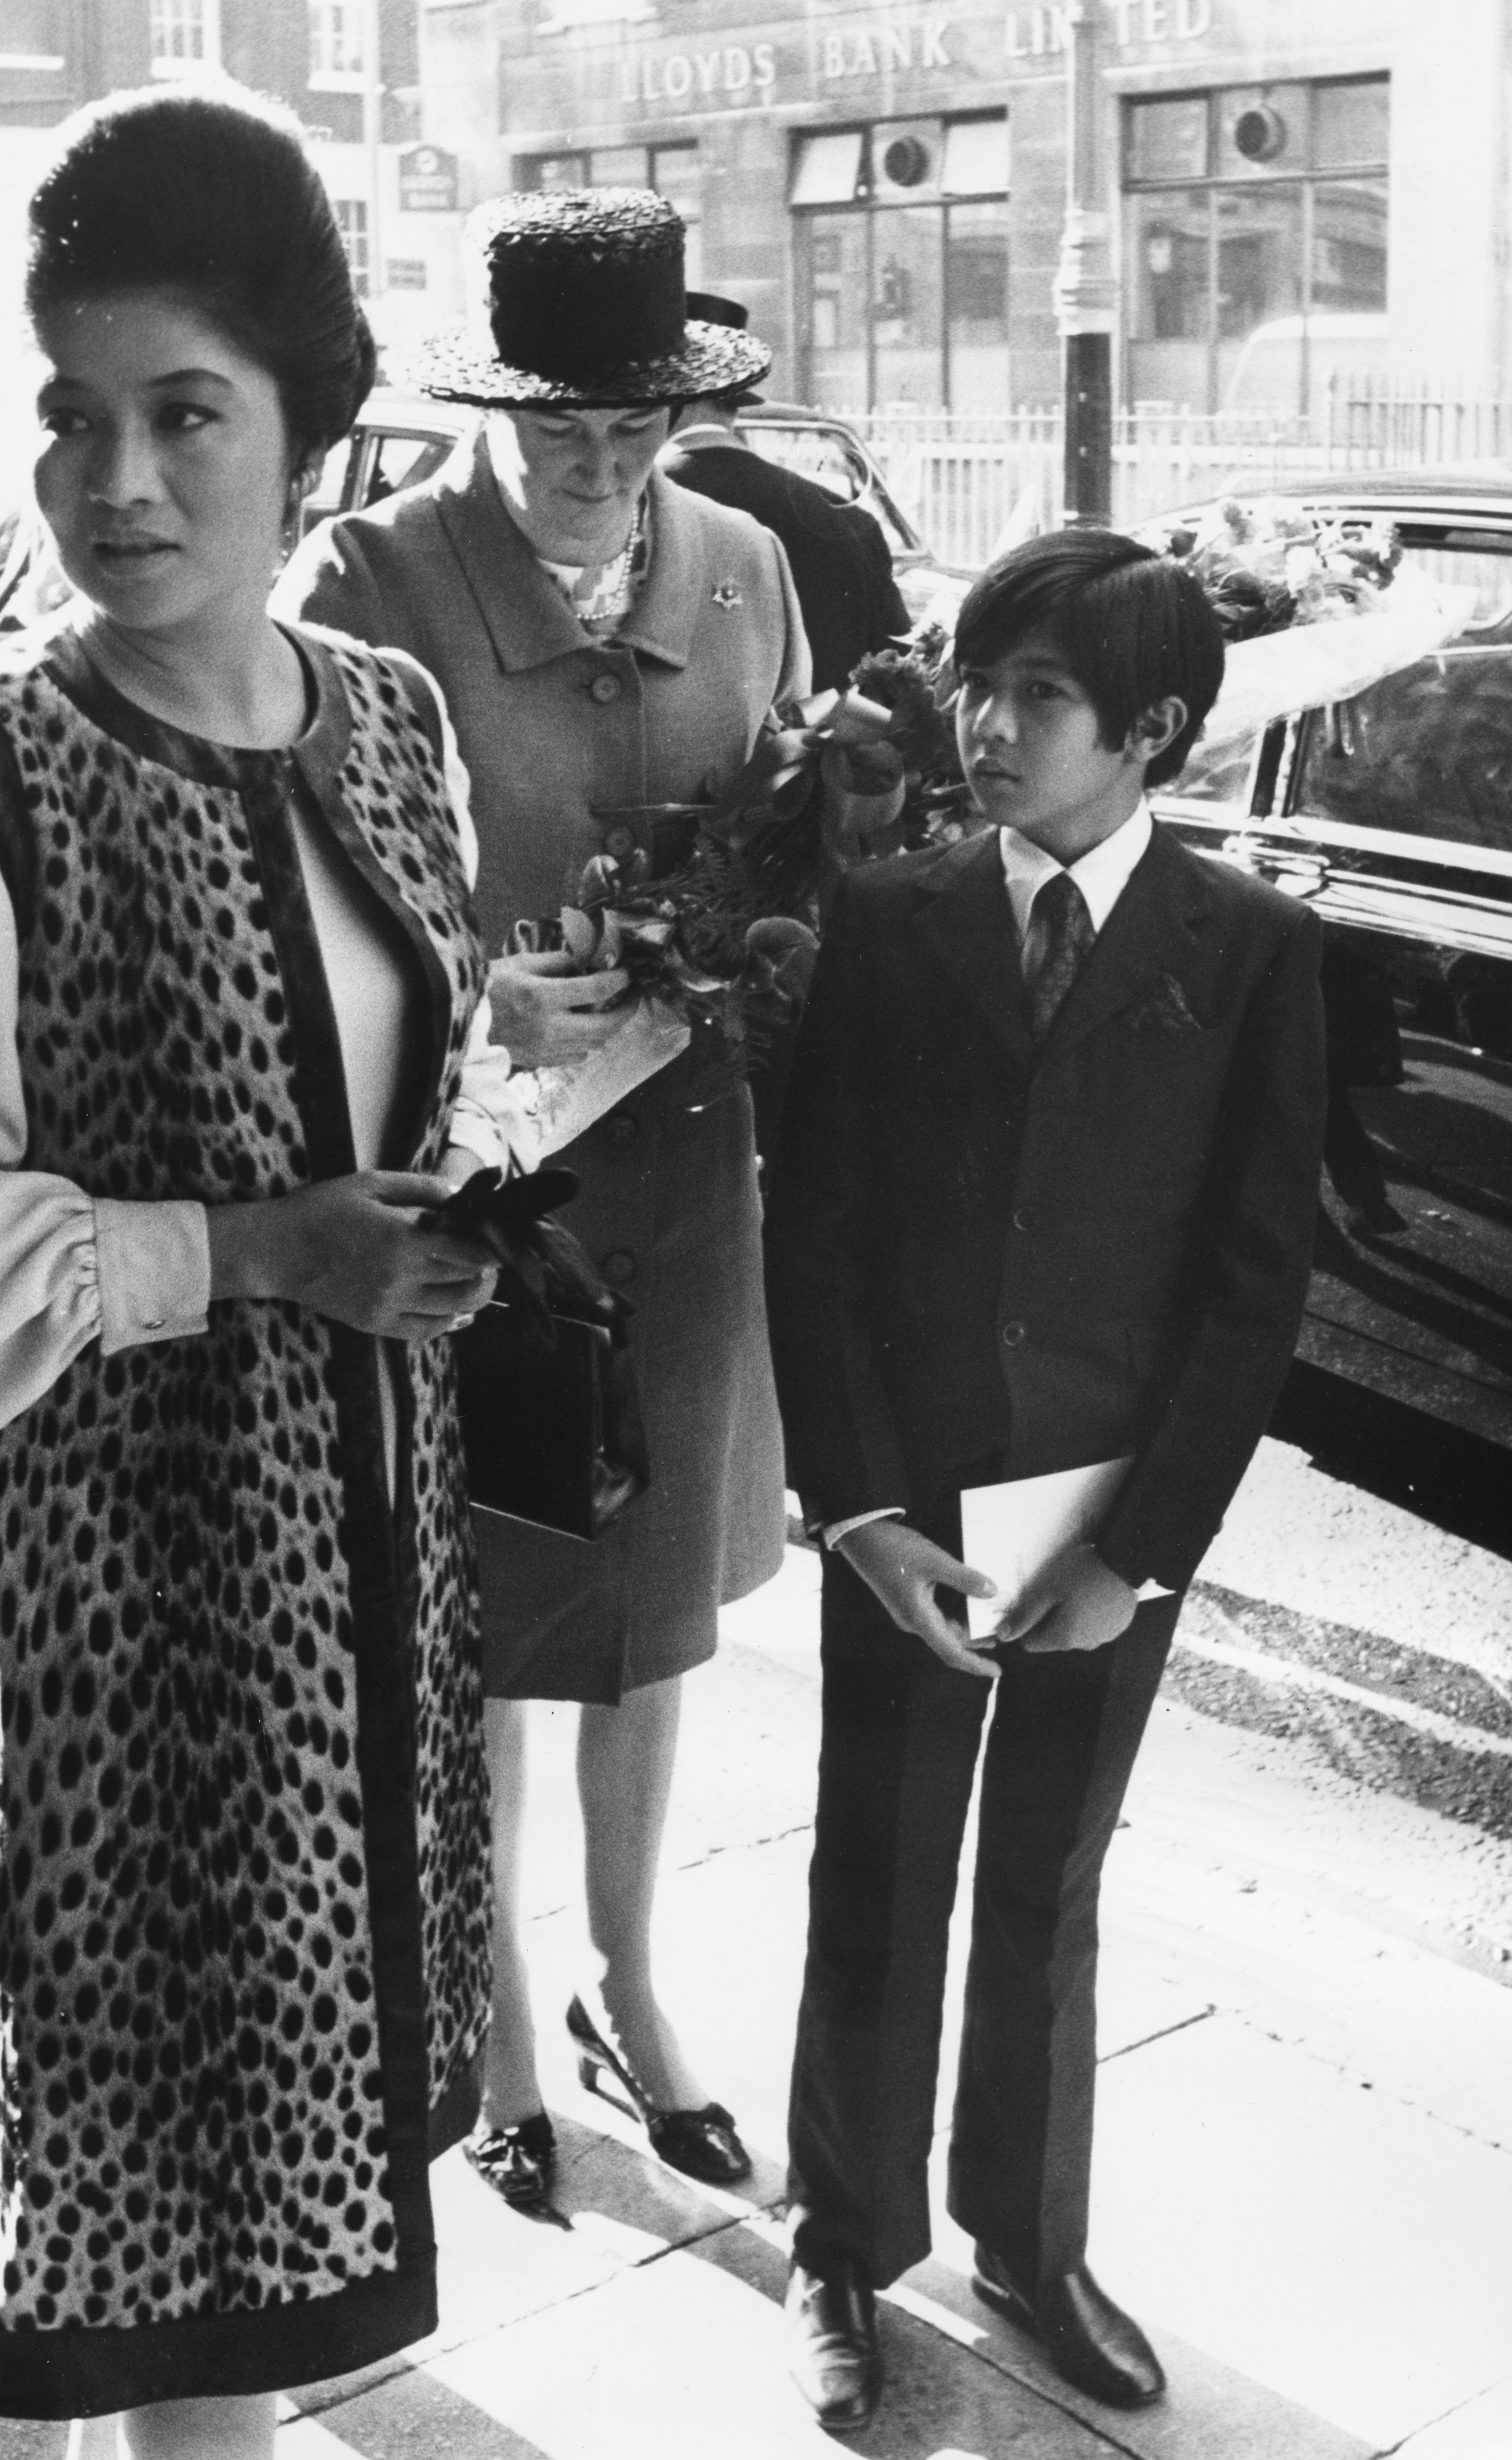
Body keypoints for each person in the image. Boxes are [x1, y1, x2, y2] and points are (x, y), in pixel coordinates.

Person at [0, 83, 520, 2458]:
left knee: (283, 2273)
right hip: (129, 1672)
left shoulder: (389, 725)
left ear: (311, 431)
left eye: (181, 412)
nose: (109, 481)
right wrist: (250, 1251)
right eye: (68, 416)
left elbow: (393, 1066)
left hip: (370, 1614)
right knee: (173, 2304)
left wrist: (469, 1176)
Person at [279, 188, 888, 2209]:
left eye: (639, 430)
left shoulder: (740, 564)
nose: (604, 470)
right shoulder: (364, 581)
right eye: (562, 432)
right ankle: (497, 2013)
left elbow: (792, 847)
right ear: (489, 409)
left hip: (686, 1206)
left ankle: (628, 1979)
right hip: (477, 1212)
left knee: (646, 1630)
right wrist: (472, 984)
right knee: (483, 1629)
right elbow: (283, 911)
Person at [763, 528, 1327, 2432]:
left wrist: (1140, 1552)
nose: (982, 727)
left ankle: (1024, 2236)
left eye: (1036, 698)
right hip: (908, 1514)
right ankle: (842, 2245)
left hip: (1097, 1525)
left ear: (1148, 730)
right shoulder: (889, 918)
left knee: (1044, 1884)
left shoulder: (1245, 949)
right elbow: (815, 1236)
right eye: (972, 685)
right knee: (876, 1868)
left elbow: (1251, 1284)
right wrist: (856, 1513)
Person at [660, 292, 908, 697]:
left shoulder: (638, 506)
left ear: (662, 399)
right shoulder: (849, 519)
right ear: (737, 400)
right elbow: (895, 677)